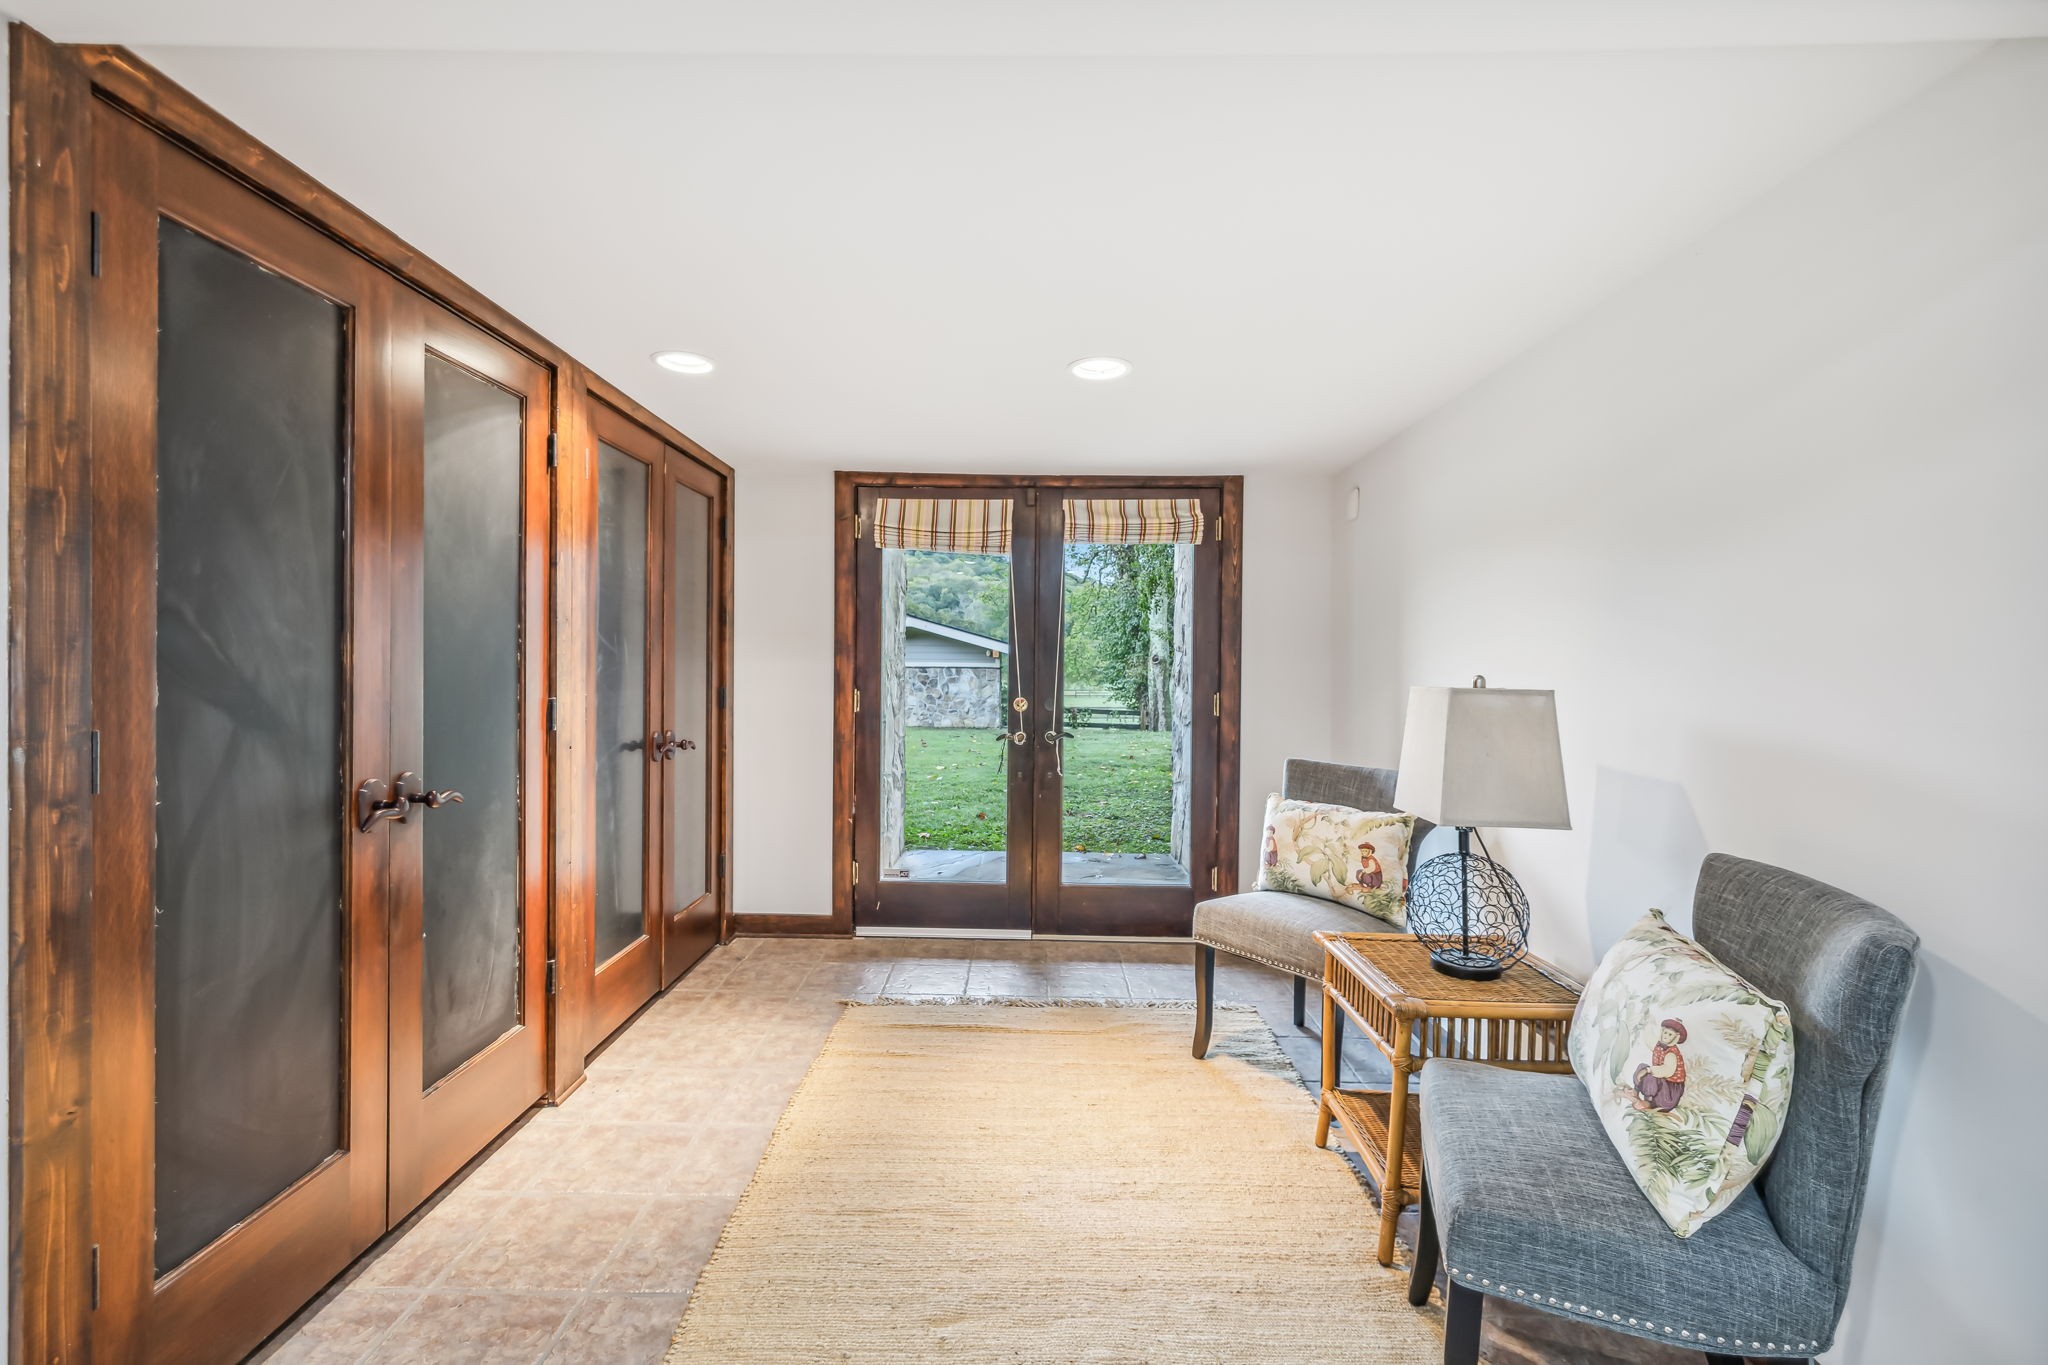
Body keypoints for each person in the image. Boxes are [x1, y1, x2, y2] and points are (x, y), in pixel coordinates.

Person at [1632, 1019, 1687, 1112]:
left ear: (1675, 1038)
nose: (1666, 1036)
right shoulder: (1659, 1045)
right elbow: (1649, 1040)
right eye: (1665, 1033)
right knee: (1642, 1066)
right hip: (1661, 1082)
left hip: (1669, 1091)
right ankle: (1636, 1091)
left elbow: (1666, 1070)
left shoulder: (1671, 1053)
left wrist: (1648, 1070)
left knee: (1650, 1075)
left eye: (1670, 1035)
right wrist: (1647, 1025)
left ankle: (1649, 1102)